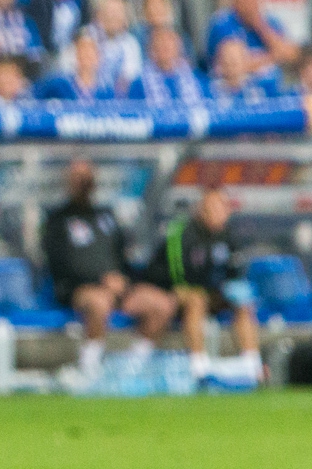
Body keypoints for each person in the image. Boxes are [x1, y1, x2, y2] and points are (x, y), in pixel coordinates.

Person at [43, 160, 175, 377]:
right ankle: (89, 368)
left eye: (88, 178)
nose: (84, 183)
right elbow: (61, 262)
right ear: (69, 183)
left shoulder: (105, 216)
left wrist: (124, 280)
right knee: (99, 302)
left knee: (162, 304)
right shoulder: (57, 220)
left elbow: (121, 256)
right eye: (79, 178)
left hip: (117, 288)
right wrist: (100, 279)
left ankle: (134, 367)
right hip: (78, 289)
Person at [140, 188, 261, 380]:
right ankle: (198, 364)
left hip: (213, 292)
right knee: (196, 299)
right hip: (175, 291)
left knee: (243, 304)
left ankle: (252, 363)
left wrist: (233, 288)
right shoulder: (182, 231)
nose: (218, 213)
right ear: (201, 210)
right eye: (212, 208)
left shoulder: (228, 235)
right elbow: (177, 273)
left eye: (222, 208)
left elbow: (234, 268)